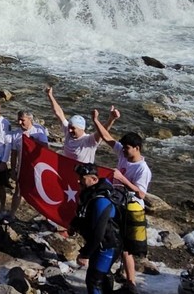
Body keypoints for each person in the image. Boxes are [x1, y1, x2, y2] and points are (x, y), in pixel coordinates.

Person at [94, 111, 151, 294]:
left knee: (126, 248)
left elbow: (141, 194)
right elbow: (107, 137)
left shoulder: (143, 169)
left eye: (127, 148)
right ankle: (109, 271)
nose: (123, 150)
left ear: (137, 148)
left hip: (131, 209)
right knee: (109, 238)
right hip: (116, 202)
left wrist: (121, 178)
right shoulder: (123, 154)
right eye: (123, 147)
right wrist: (96, 120)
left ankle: (131, 282)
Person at [71, 162, 122, 294]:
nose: (78, 181)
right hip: (101, 245)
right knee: (102, 276)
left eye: (82, 178)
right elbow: (84, 217)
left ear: (94, 179)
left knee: (94, 282)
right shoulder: (90, 195)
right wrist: (73, 226)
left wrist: (85, 254)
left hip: (107, 247)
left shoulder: (101, 200)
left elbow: (99, 232)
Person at [45, 86, 113, 164]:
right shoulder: (68, 131)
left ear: (82, 128)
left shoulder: (89, 141)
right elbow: (59, 113)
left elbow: (103, 132)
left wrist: (111, 119)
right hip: (66, 169)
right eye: (69, 127)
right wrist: (50, 95)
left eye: (73, 128)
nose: (70, 130)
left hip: (82, 174)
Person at [6, 110, 49, 222]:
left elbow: (46, 148)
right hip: (22, 166)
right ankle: (12, 214)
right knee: (18, 190)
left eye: (23, 120)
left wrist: (33, 140)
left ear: (30, 119)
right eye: (19, 119)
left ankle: (44, 215)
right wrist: (13, 170)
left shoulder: (39, 130)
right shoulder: (16, 133)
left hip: (36, 167)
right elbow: (14, 153)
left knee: (39, 191)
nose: (20, 122)